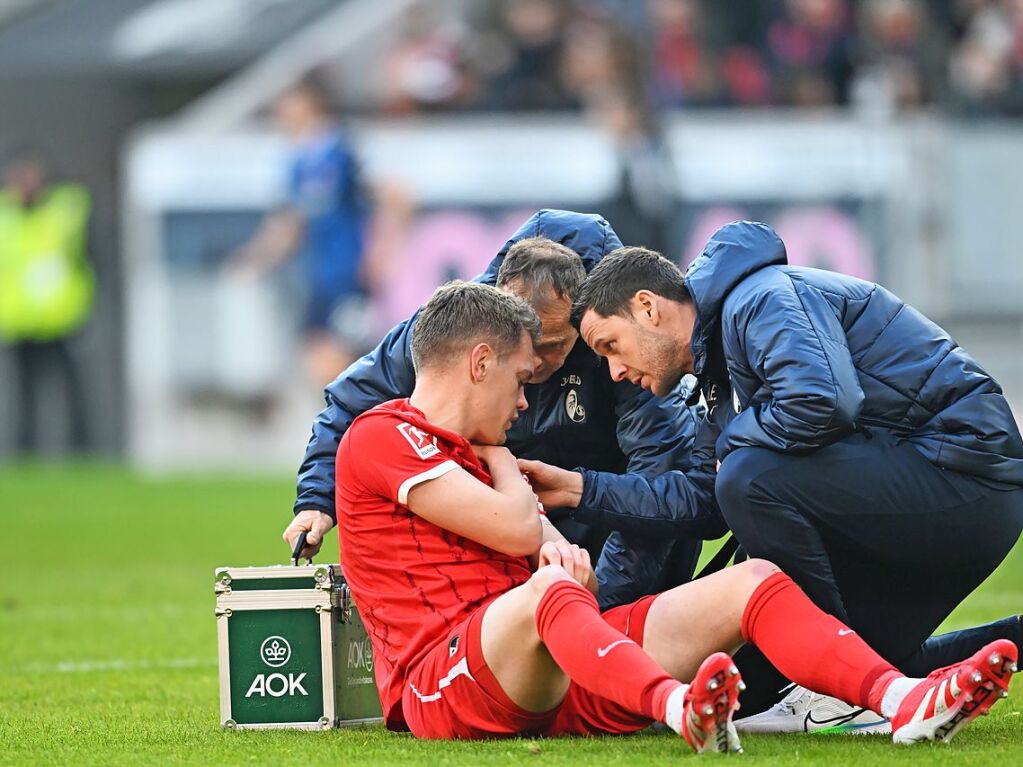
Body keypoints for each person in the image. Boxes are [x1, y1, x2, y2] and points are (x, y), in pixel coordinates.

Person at [335, 279, 1016, 750]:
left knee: (751, 583)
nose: (523, 402)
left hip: (540, 670)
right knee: (547, 589)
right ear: (478, 362)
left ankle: (901, 701)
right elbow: (524, 536)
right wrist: (502, 458)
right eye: (520, 378)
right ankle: (673, 706)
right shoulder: (383, 433)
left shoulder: (476, 457)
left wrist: (550, 551)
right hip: (441, 689)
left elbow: (572, 581)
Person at [568, 222, 1023, 731]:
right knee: (781, 679)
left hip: (964, 473)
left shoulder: (758, 298)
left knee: (748, 479)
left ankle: (824, 672)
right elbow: (703, 502)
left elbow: (823, 401)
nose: (614, 371)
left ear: (648, 307)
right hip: (942, 489)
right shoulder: (715, 369)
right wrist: (579, 489)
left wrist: (734, 442)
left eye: (610, 345)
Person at [285, 209, 724, 610]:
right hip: (516, 527)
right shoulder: (458, 320)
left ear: (583, 321)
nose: (534, 364)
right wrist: (317, 500)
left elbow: (657, 482)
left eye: (552, 346)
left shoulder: (622, 344)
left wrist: (600, 610)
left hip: (612, 527)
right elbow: (352, 400)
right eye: (522, 348)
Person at [231, 80, 370, 387]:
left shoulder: (333, 153)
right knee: (322, 351)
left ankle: (354, 427)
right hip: (320, 273)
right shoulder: (300, 158)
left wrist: (259, 258)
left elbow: (295, 221)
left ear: (309, 103)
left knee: (334, 355)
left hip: (341, 272)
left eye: (287, 105)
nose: (281, 115)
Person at [0, 147, 92, 453]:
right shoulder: (5, 214)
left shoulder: (66, 208)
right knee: (23, 393)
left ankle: (83, 451)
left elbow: (88, 257)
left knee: (72, 389)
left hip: (62, 317)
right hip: (18, 319)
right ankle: (25, 451)